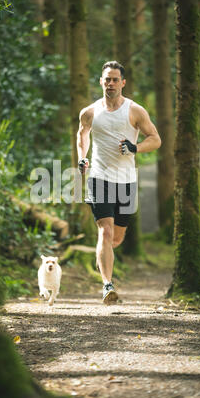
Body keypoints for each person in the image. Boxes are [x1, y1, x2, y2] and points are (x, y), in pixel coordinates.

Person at [77, 61, 161, 304]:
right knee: (105, 230)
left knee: (116, 238)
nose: (110, 83)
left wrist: (136, 147)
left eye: (115, 79)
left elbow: (155, 139)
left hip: (126, 181)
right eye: (107, 79)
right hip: (99, 177)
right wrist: (82, 158)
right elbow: (81, 135)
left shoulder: (135, 111)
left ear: (123, 83)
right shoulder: (90, 112)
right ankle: (107, 285)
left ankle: (104, 256)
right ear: (101, 82)